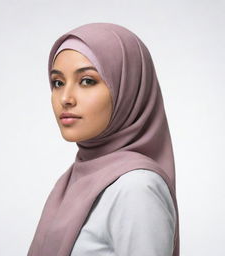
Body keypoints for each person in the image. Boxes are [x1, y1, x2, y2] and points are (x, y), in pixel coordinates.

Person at [27, 22, 180, 256]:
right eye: (58, 82)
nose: (65, 98)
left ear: (127, 88)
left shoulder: (135, 188)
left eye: (87, 81)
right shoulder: (77, 177)